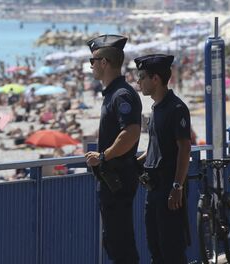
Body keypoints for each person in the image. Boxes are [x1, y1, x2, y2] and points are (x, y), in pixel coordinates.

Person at [83, 34, 142, 264]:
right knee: (115, 241)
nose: (91, 66)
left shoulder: (121, 94)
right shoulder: (114, 93)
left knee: (120, 243)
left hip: (117, 179)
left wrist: (103, 156)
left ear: (104, 62)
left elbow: (131, 132)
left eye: (92, 61)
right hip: (111, 180)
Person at [135, 54, 191, 264]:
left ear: (155, 79)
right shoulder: (156, 109)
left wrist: (177, 186)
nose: (139, 82)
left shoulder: (176, 108)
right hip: (154, 188)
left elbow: (184, 148)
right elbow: (155, 148)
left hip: (169, 185)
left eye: (142, 77)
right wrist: (133, 162)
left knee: (172, 249)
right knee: (155, 247)